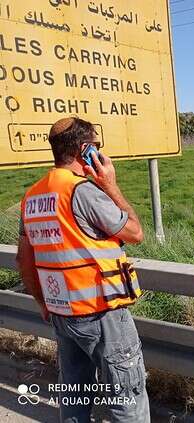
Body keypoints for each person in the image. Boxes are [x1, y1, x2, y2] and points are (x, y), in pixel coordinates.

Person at [16, 117, 150, 423]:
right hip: (101, 314)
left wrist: (42, 303)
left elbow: (24, 261)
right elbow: (135, 232)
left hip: (62, 312)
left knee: (75, 395)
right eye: (96, 147)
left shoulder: (32, 196)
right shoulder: (83, 192)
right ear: (85, 149)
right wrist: (110, 185)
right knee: (126, 398)